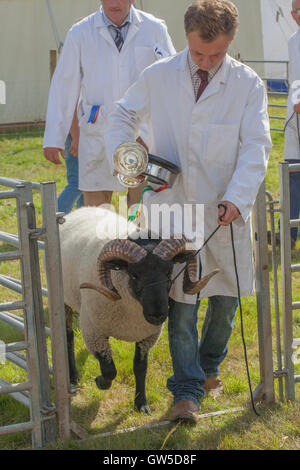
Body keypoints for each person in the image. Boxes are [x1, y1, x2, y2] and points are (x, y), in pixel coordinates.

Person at [105, 0, 272, 423]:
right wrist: (128, 155)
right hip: (170, 209)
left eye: (217, 54)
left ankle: (209, 367)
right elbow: (123, 113)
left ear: (231, 41)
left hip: (223, 211)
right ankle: (186, 391)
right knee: (180, 305)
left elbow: (256, 146)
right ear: (186, 39)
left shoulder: (247, 84)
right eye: (199, 53)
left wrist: (237, 196)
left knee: (225, 303)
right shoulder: (159, 76)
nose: (207, 62)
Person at [43, 0, 175, 208]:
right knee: (96, 208)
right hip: (98, 130)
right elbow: (64, 84)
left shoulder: (154, 28)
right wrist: (54, 136)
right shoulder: (80, 32)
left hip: (141, 133)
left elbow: (170, 79)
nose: (114, 3)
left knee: (141, 208)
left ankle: (137, 240)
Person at [282, 0, 300, 248]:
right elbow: (295, 79)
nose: (298, 14)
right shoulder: (293, 41)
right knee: (293, 174)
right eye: (296, 10)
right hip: (295, 119)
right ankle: (288, 235)